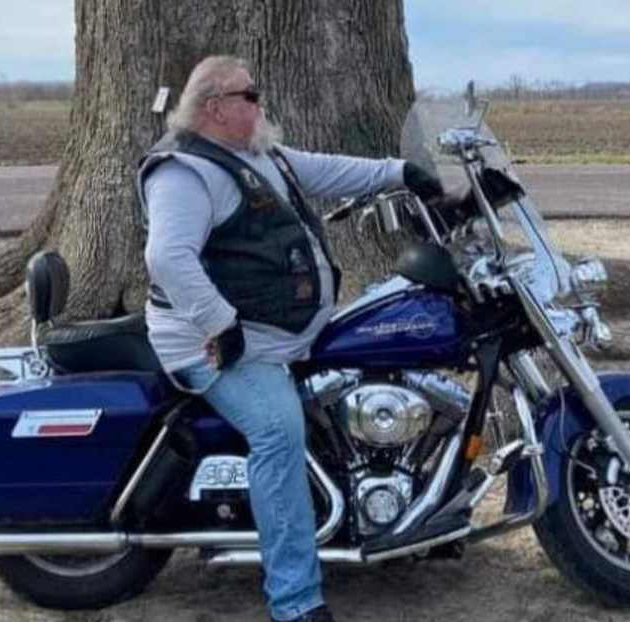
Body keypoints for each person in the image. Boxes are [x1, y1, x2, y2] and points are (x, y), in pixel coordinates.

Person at [137, 55, 444, 622]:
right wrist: (220, 324)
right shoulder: (184, 172)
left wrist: (402, 172)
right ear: (216, 108)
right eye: (250, 95)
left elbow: (328, 170)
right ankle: (295, 601)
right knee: (277, 432)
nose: (261, 103)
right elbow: (167, 258)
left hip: (270, 332)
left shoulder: (258, 156)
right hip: (212, 341)